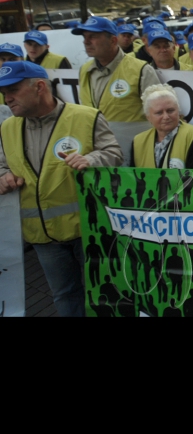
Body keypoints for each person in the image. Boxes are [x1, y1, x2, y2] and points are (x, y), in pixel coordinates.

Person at [0, 62, 123, 317]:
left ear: (40, 87)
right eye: (3, 92)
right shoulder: (8, 127)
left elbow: (114, 154)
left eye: (12, 89)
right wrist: (3, 175)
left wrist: (92, 160)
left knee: (105, 291)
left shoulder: (86, 117)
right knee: (64, 295)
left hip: (87, 230)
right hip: (41, 236)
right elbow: (2, 162)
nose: (6, 98)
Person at [74, 17, 160, 124]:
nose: (86, 42)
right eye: (84, 37)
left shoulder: (141, 70)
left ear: (113, 40)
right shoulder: (84, 70)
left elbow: (159, 113)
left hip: (132, 140)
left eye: (93, 36)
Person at [131, 84, 193, 170]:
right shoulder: (138, 141)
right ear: (148, 117)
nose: (166, 117)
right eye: (159, 113)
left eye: (170, 110)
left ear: (178, 111)